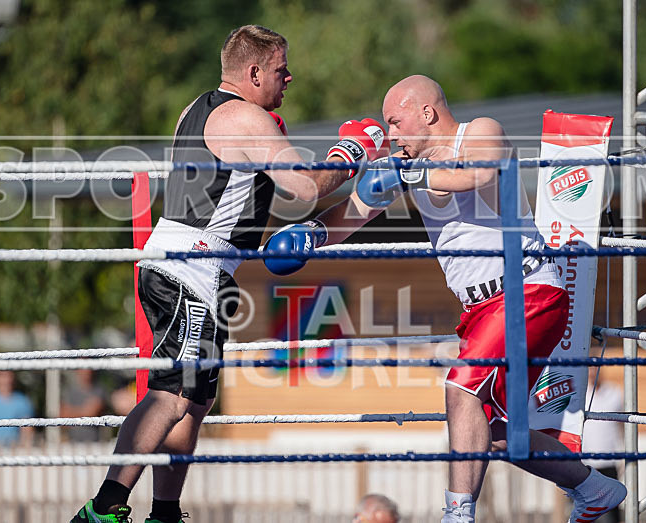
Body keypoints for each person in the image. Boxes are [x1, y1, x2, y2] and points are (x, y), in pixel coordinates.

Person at [263, 75, 626, 522]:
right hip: (481, 310)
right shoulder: (404, 164)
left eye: (395, 122)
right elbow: (355, 212)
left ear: (427, 113)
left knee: (460, 390)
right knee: (493, 435)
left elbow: (478, 172)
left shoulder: (479, 132)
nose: (391, 134)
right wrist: (312, 233)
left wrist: (410, 173)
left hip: (526, 289)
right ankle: (593, 487)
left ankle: (457, 515)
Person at [71, 24, 388, 523]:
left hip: (194, 265)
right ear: (254, 71)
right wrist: (352, 153)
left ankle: (166, 511)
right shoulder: (246, 117)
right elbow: (304, 188)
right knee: (171, 394)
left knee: (195, 400)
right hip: (193, 267)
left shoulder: (194, 108)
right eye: (282, 70)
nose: (291, 78)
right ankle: (104, 506)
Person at [581, 365, 624, 523]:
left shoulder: (614, 392)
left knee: (612, 511)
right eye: (589, 369)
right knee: (586, 511)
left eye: (595, 369)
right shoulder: (580, 396)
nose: (592, 373)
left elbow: (623, 428)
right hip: (585, 464)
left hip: (609, 461)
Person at [61, 369, 107, 442]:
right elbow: (63, 417)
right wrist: (84, 411)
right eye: (82, 368)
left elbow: (92, 412)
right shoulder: (69, 391)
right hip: (73, 444)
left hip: (94, 444)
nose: (86, 371)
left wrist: (72, 412)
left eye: (88, 368)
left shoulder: (99, 390)